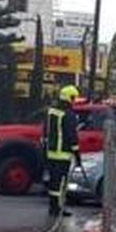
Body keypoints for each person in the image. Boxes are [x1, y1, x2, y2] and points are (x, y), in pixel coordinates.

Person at [44, 85, 82, 217]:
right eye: (74, 98)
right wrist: (77, 155)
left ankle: (52, 207)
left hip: (50, 152)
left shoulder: (51, 112)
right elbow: (71, 135)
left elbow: (45, 131)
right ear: (70, 98)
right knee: (61, 183)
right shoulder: (69, 114)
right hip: (63, 154)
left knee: (53, 181)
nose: (75, 101)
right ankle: (59, 208)